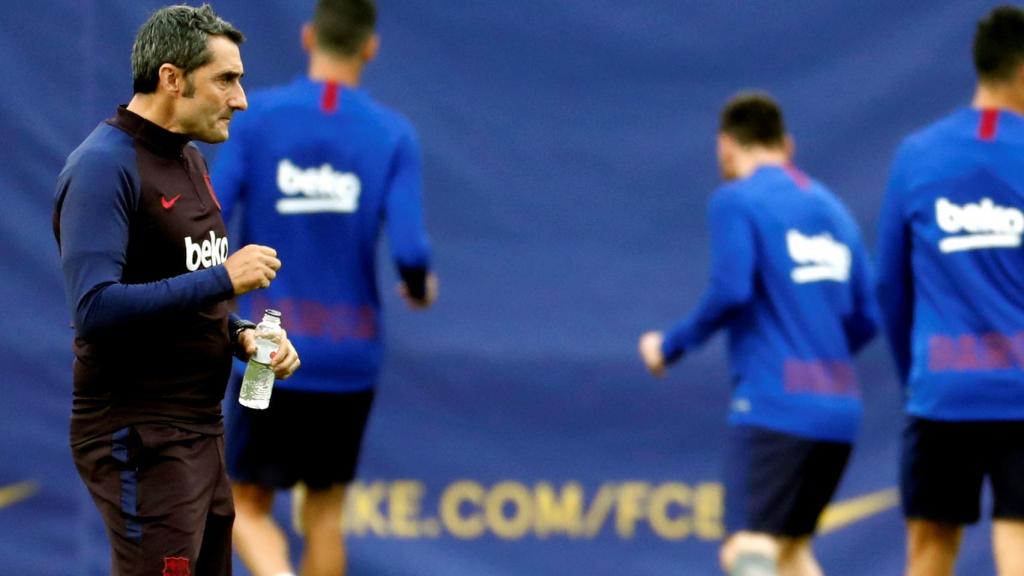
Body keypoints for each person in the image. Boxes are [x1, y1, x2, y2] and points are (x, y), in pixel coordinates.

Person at [53, 5, 301, 575]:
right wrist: (224, 278)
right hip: (140, 435)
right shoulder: (102, 167)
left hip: (201, 429)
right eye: (225, 80)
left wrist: (240, 334)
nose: (240, 99)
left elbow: (178, 288)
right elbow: (93, 307)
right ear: (172, 78)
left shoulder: (188, 159)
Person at [209, 0, 436, 574]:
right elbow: (410, 253)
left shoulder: (255, 119)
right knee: (327, 511)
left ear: (309, 37)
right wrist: (420, 287)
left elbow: (210, 216)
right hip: (349, 355)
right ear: (370, 47)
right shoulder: (392, 134)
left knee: (245, 503)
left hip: (264, 348)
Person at [638, 93, 878, 576]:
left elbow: (731, 289)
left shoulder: (736, 199)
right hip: (838, 412)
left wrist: (670, 345)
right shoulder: (832, 207)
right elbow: (869, 315)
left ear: (725, 146)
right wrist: (818, 357)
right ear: (788, 145)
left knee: (747, 550)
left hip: (774, 408)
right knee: (791, 555)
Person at [876, 6, 1024, 576]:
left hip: (942, 390)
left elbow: (890, 286)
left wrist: (917, 371)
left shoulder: (917, 154)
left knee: (930, 554)